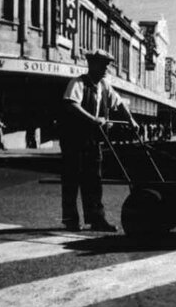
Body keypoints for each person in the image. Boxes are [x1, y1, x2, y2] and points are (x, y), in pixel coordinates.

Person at [59, 49, 138, 232]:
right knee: (72, 180)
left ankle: (96, 219)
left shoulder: (104, 85)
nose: (105, 69)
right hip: (74, 140)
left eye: (107, 65)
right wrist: (92, 119)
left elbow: (119, 103)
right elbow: (71, 104)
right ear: (91, 64)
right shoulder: (78, 83)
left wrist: (131, 120)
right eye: (102, 65)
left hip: (93, 140)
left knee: (94, 180)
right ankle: (70, 220)